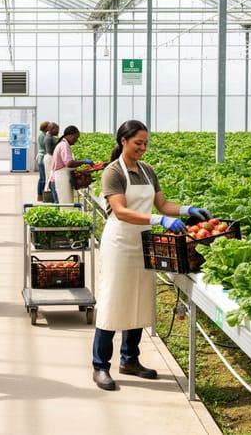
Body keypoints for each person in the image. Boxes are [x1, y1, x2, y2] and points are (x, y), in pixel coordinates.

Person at [91, 120, 211, 391]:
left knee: (139, 300)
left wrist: (186, 210)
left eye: (145, 143)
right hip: (120, 242)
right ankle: (100, 366)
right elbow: (120, 211)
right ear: (123, 140)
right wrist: (159, 220)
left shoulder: (147, 171)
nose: (143, 148)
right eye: (138, 143)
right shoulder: (113, 172)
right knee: (113, 301)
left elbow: (163, 203)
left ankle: (130, 360)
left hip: (144, 241)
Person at [48, 125, 93, 205]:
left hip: (61, 177)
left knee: (65, 204)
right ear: (70, 135)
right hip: (60, 178)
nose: (76, 140)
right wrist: (84, 161)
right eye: (76, 137)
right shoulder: (64, 146)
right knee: (65, 205)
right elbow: (69, 163)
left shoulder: (63, 144)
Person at [42, 123, 59, 202]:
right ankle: (51, 198)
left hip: (49, 158)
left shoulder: (50, 137)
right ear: (52, 129)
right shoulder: (49, 138)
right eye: (57, 129)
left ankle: (51, 198)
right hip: (50, 158)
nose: (58, 131)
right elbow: (50, 151)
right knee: (50, 178)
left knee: (50, 177)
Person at [35, 121, 50, 202]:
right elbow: (46, 147)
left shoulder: (44, 135)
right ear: (46, 127)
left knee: (42, 178)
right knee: (43, 179)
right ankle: (40, 195)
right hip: (42, 158)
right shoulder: (42, 136)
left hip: (42, 157)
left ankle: (40, 195)